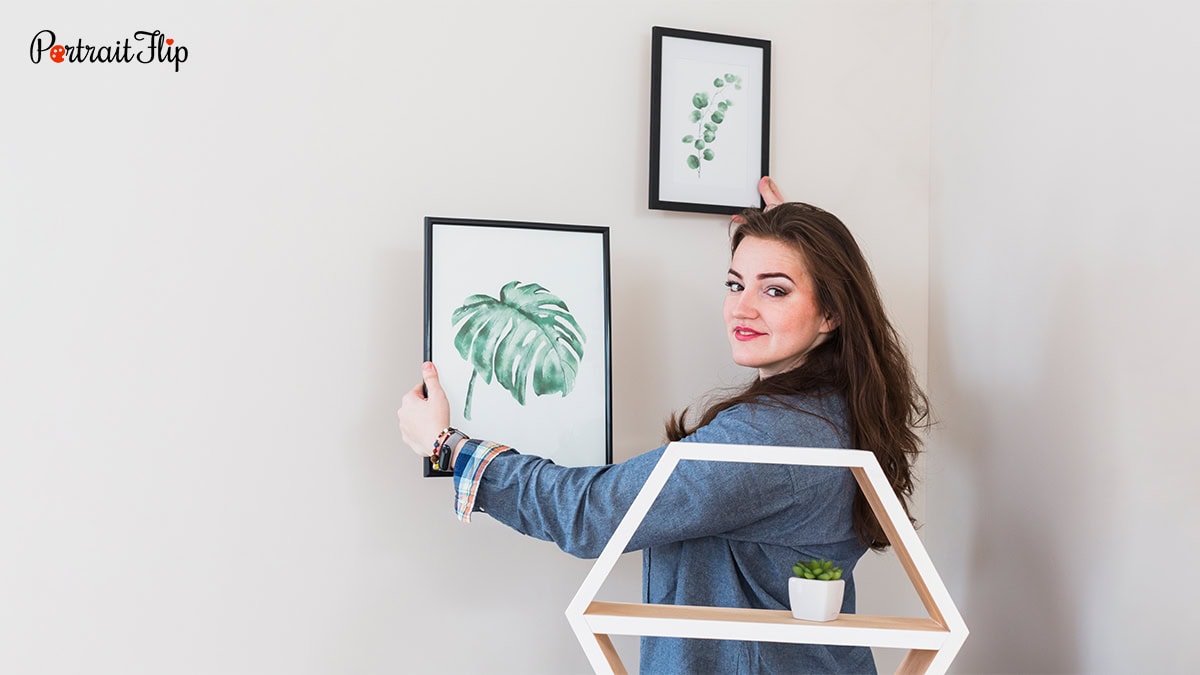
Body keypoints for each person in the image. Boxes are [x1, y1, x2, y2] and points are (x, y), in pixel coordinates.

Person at [397, 177, 928, 674]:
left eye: (775, 291)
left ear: (832, 313)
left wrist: (446, 445)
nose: (740, 308)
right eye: (734, 282)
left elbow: (591, 513)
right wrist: (786, 240)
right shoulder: (841, 407)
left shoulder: (768, 439)